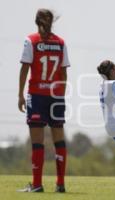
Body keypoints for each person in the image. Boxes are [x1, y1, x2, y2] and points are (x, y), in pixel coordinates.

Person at [18, 9, 69, 193]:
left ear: (36, 21)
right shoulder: (61, 43)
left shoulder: (31, 40)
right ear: (51, 22)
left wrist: (20, 95)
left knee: (37, 142)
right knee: (59, 140)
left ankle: (37, 185)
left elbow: (25, 69)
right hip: (56, 96)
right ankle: (60, 184)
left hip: (37, 95)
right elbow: (64, 72)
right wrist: (60, 95)